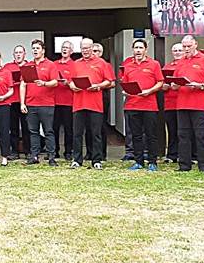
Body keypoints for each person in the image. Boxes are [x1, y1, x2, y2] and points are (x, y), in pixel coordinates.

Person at [120, 39, 164, 171]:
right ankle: (138, 161)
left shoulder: (154, 64)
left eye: (140, 48)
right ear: (132, 50)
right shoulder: (127, 65)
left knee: (151, 135)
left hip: (149, 105)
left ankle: (152, 161)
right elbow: (124, 84)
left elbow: (160, 82)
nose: (138, 50)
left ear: (146, 49)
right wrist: (125, 91)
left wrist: (149, 91)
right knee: (136, 135)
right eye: (136, 48)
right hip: (132, 105)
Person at [69, 38, 113, 169]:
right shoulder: (75, 63)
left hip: (95, 104)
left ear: (92, 48)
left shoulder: (101, 63)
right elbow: (70, 80)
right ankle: (77, 159)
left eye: (88, 48)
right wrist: (72, 86)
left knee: (96, 133)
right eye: (83, 48)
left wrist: (98, 86)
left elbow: (109, 81)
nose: (85, 51)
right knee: (77, 133)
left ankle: (97, 160)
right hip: (78, 103)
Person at [174, 35, 204, 172]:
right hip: (182, 103)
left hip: (199, 104)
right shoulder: (180, 61)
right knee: (183, 135)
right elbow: (176, 81)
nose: (186, 49)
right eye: (184, 47)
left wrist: (201, 85)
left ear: (195, 44)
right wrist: (175, 84)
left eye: (188, 46)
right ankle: (184, 165)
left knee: (201, 135)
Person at [20, 39, 59, 165]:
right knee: (33, 132)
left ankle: (51, 156)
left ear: (43, 50)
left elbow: (55, 82)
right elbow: (23, 84)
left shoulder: (50, 65)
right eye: (33, 48)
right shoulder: (28, 66)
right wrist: (22, 103)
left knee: (48, 131)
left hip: (46, 104)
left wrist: (44, 83)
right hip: (31, 104)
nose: (35, 50)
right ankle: (34, 156)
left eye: (37, 48)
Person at [3, 44, 29, 158]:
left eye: (20, 52)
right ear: (13, 55)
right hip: (12, 100)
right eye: (16, 53)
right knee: (13, 127)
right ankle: (14, 151)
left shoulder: (29, 66)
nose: (18, 55)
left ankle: (28, 151)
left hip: (26, 100)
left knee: (26, 127)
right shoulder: (8, 67)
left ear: (24, 54)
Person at [53, 40, 76, 162]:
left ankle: (68, 152)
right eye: (63, 47)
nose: (65, 49)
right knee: (54, 128)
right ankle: (54, 151)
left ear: (71, 51)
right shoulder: (54, 64)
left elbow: (77, 82)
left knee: (69, 129)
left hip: (69, 101)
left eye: (67, 48)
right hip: (55, 101)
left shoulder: (75, 65)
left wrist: (68, 83)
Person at [161, 43, 184, 163]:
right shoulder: (167, 67)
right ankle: (172, 155)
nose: (178, 52)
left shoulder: (186, 65)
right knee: (172, 130)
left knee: (185, 131)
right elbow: (162, 84)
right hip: (170, 103)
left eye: (180, 50)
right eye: (175, 50)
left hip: (184, 102)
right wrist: (164, 86)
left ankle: (187, 155)